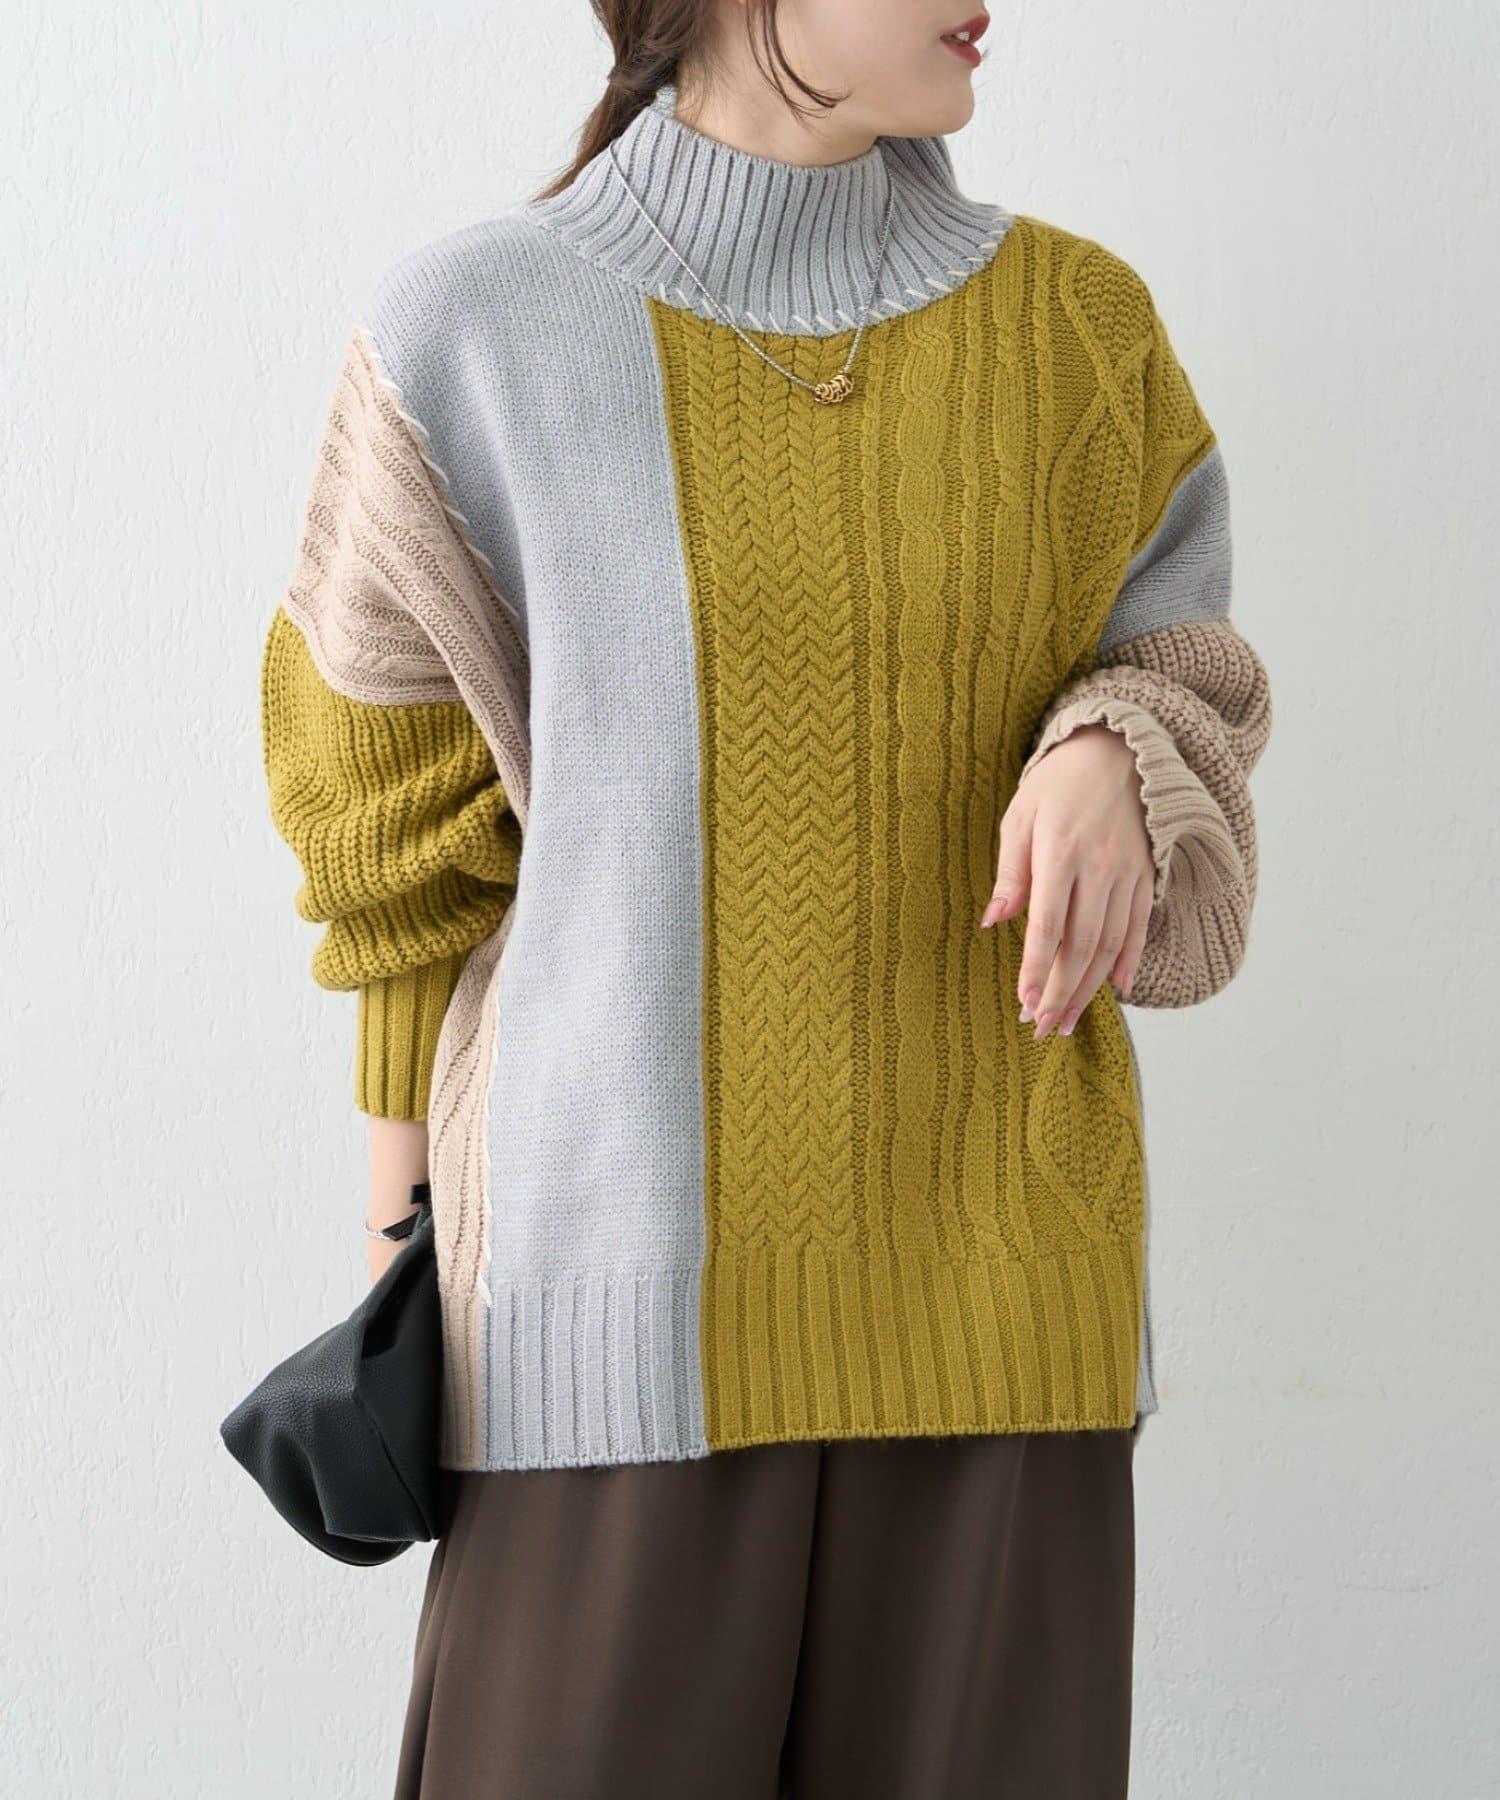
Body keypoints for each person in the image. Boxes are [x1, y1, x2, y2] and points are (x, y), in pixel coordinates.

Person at [258, 2, 1272, 1792]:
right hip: (602, 1333)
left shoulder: (1079, 332)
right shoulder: (469, 333)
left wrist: (1117, 746)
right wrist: (409, 1275)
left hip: (1001, 1325)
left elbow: (1188, 666)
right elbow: (394, 865)